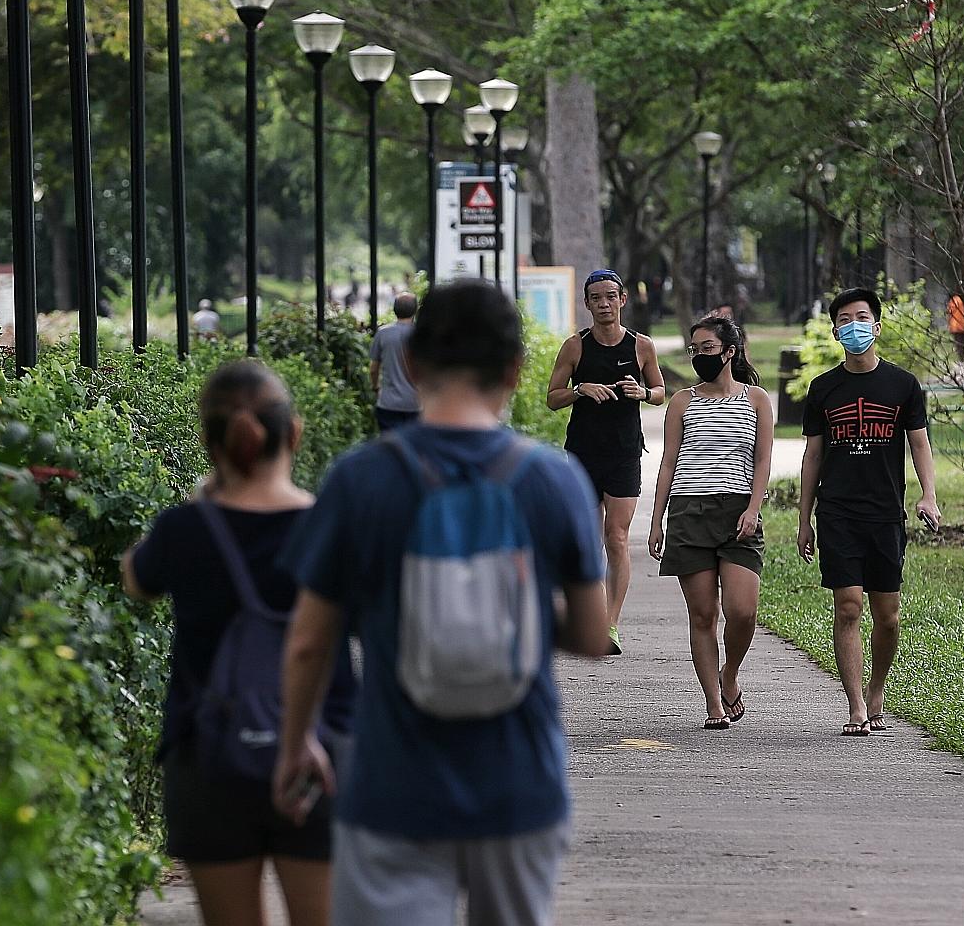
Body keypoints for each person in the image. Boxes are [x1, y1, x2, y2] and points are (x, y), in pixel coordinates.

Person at [272, 280, 610, 926]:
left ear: (411, 363)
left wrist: (295, 747)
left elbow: (311, 640)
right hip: (519, 784)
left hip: (392, 785)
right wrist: (514, 609)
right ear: (514, 370)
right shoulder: (553, 479)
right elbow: (594, 635)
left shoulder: (359, 478)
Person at [122, 361, 354, 926]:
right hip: (323, 752)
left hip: (210, 752)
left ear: (209, 442)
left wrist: (206, 500)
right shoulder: (334, 527)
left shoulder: (184, 529)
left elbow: (136, 578)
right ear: (293, 433)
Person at [796, 288, 941, 737]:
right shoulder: (823, 389)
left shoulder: (902, 386)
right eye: (844, 319)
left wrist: (928, 495)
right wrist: (805, 518)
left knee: (888, 615)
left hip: (885, 513)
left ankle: (877, 689)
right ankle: (857, 704)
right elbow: (813, 456)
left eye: (861, 317)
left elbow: (919, 442)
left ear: (876, 326)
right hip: (837, 512)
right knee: (847, 607)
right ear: (836, 330)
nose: (853, 324)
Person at [649, 316, 773, 729]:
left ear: (729, 352)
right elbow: (668, 462)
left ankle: (730, 675)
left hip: (738, 511)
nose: (700, 356)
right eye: (695, 349)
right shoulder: (683, 401)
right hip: (689, 510)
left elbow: (762, 462)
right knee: (703, 615)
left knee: (742, 612)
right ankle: (713, 705)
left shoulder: (756, 400)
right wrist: (657, 520)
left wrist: (754, 508)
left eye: (707, 348)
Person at [546, 269, 666, 655]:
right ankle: (593, 614)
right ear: (587, 304)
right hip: (582, 452)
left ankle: (610, 623)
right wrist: (580, 389)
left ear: (622, 299)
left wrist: (642, 391)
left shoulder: (641, 346)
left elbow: (661, 392)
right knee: (589, 536)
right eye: (596, 298)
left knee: (616, 536)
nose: (604, 304)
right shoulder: (575, 347)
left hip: (625, 452)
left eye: (610, 297)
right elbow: (552, 397)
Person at [369, 292, 419, 432]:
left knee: (390, 447)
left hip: (388, 403)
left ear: (395, 309)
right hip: (416, 403)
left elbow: (373, 369)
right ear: (415, 310)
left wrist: (376, 388)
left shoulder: (383, 333)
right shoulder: (422, 335)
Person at [947, 292, 964, 362]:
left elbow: (950, 310)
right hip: (963, 325)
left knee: (959, 343)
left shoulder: (955, 299)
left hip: (956, 325)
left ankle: (962, 359)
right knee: (963, 343)